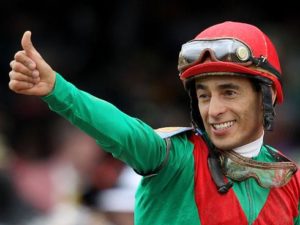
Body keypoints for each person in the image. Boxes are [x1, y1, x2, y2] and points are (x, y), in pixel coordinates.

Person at [8, 21, 300, 225]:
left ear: (268, 94)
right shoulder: (173, 157)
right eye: (204, 95)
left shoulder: (290, 180)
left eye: (229, 92)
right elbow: (124, 131)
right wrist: (56, 89)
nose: (213, 110)